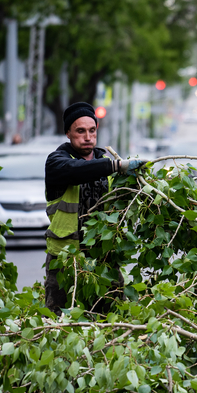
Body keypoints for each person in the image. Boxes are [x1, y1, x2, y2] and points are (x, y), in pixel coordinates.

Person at [44, 102, 146, 314]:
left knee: (111, 320)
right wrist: (115, 166)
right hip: (65, 260)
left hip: (103, 259)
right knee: (58, 322)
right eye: (80, 131)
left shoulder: (105, 161)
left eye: (92, 131)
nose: (87, 137)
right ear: (68, 134)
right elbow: (76, 170)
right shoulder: (57, 162)